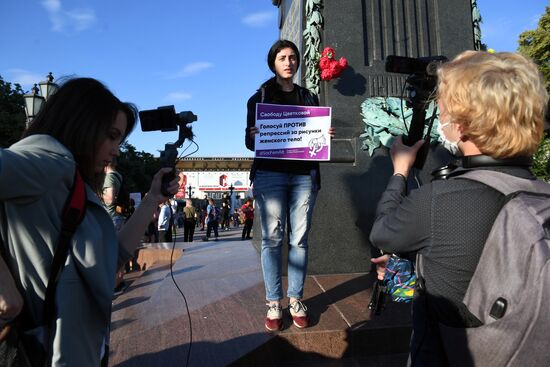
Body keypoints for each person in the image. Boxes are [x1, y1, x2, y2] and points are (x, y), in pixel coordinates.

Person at [369, 51, 548, 366]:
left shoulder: (439, 199)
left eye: (443, 105)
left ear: (463, 125)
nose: (440, 113)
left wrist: (400, 171)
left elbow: (383, 231)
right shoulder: (543, 195)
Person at [0, 77, 180, 366]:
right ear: (81, 123)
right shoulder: (49, 163)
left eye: (119, 140)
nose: (116, 149)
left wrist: (151, 200)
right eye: (111, 135)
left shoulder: (70, 179)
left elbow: (113, 259)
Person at [245, 39, 335, 331]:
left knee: (299, 239)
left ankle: (295, 298)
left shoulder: (309, 97)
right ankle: (274, 301)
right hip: (270, 173)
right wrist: (254, 133)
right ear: (273, 62)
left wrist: (324, 132)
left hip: (302, 175)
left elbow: (315, 139)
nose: (288, 62)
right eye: (282, 57)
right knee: (272, 238)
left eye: (293, 57)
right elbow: (249, 141)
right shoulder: (258, 97)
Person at [101, 160, 125, 231]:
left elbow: (110, 199)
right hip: (118, 214)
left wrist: (97, 195)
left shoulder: (109, 177)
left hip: (110, 216)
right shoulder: (118, 175)